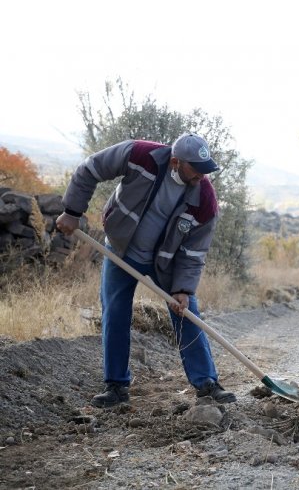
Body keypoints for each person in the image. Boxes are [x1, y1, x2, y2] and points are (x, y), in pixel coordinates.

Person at [55, 133, 236, 408]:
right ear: (176, 162)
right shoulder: (139, 155)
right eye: (196, 169)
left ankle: (206, 383)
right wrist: (72, 211)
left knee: (186, 313)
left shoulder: (206, 200)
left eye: (205, 168)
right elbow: (90, 169)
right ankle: (115, 386)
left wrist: (183, 289)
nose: (202, 175)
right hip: (120, 250)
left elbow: (194, 252)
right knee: (115, 313)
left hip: (167, 263)